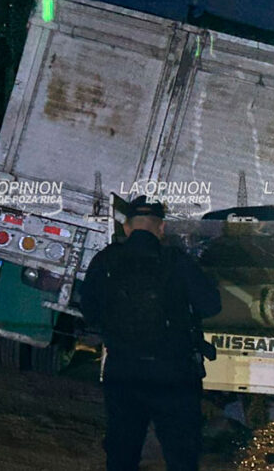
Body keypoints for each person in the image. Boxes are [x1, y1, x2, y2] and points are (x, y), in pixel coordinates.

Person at [80, 195, 221, 471]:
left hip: (123, 371)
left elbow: (90, 313)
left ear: (126, 227)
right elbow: (211, 305)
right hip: (174, 374)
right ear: (162, 228)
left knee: (122, 452)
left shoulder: (105, 261)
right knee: (181, 456)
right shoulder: (177, 262)